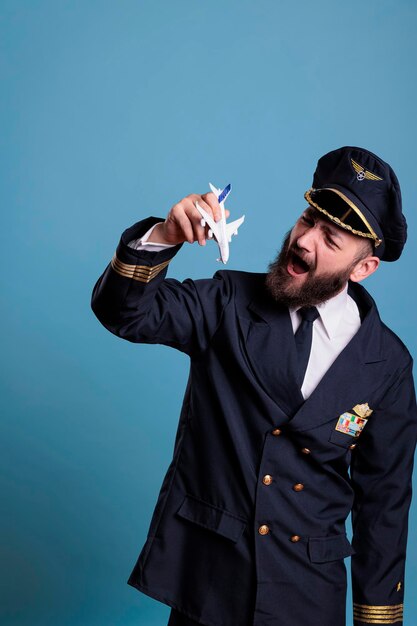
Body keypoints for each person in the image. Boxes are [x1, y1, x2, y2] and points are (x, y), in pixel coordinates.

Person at [91, 146, 417, 626]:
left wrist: (376, 619)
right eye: (309, 220)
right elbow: (123, 312)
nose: (305, 241)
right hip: (208, 585)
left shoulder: (387, 363)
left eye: (331, 239)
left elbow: (384, 503)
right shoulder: (227, 302)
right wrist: (164, 234)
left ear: (363, 267)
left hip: (308, 597)